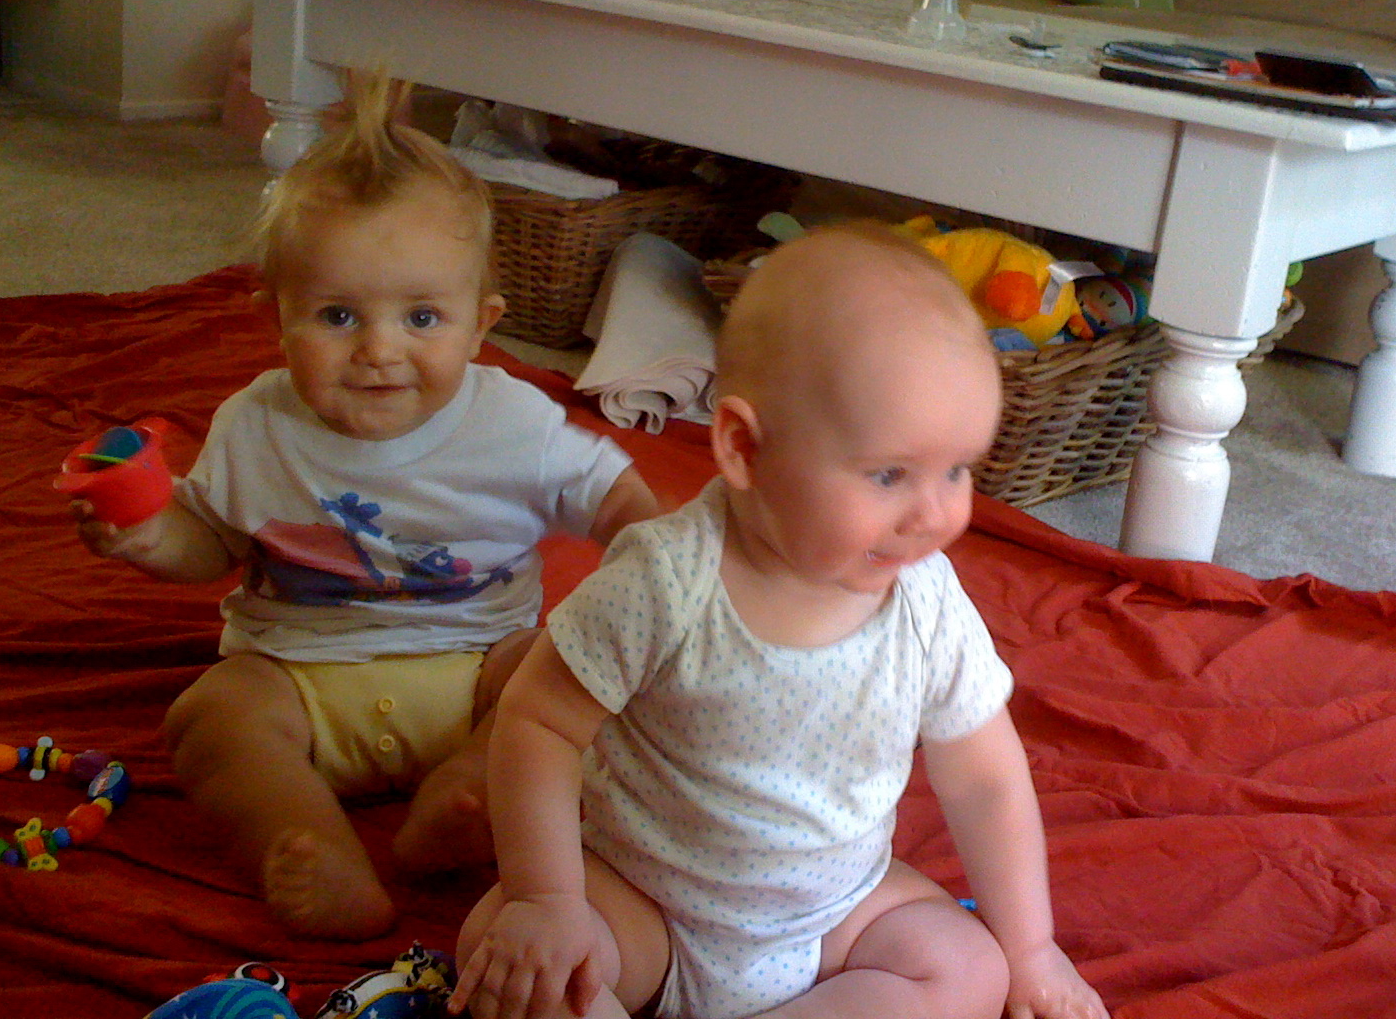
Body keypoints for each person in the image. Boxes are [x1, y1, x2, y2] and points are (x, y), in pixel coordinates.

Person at [450, 223, 1108, 1019]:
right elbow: (538, 722)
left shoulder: (926, 602)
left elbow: (987, 781)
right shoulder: (666, 580)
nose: (933, 515)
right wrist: (547, 900)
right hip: (645, 899)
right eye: (889, 475)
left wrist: (1031, 949)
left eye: (957, 470)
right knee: (504, 957)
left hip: (834, 917)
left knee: (970, 968)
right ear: (743, 448)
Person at [68, 73, 661, 941]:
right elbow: (210, 542)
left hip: (477, 667)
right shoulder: (255, 423)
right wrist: (148, 532)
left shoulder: (517, 424)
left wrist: (665, 567)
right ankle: (306, 841)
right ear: (278, 318)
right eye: (338, 316)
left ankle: (466, 795)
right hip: (296, 677)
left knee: (568, 684)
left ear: (481, 323)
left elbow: (620, 500)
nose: (380, 349)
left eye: (422, 317)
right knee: (207, 717)